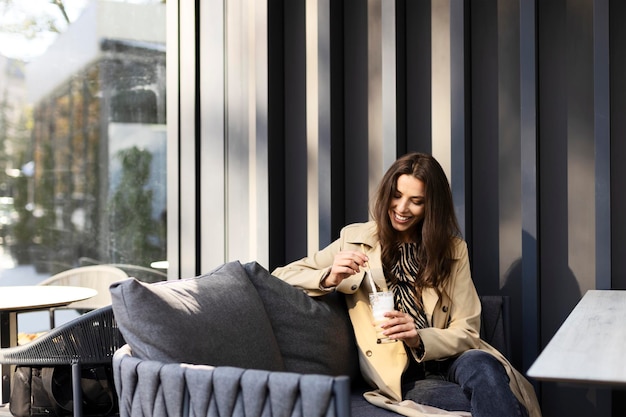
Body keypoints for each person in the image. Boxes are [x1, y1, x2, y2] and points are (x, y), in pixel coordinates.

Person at [272, 153, 541, 417]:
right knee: (503, 404)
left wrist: (419, 337)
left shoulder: (454, 250)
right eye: (397, 196)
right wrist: (329, 277)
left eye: (416, 201)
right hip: (406, 376)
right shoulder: (355, 239)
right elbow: (282, 276)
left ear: (431, 207)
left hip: (453, 359)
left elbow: (467, 330)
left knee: (484, 365)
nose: (401, 209)